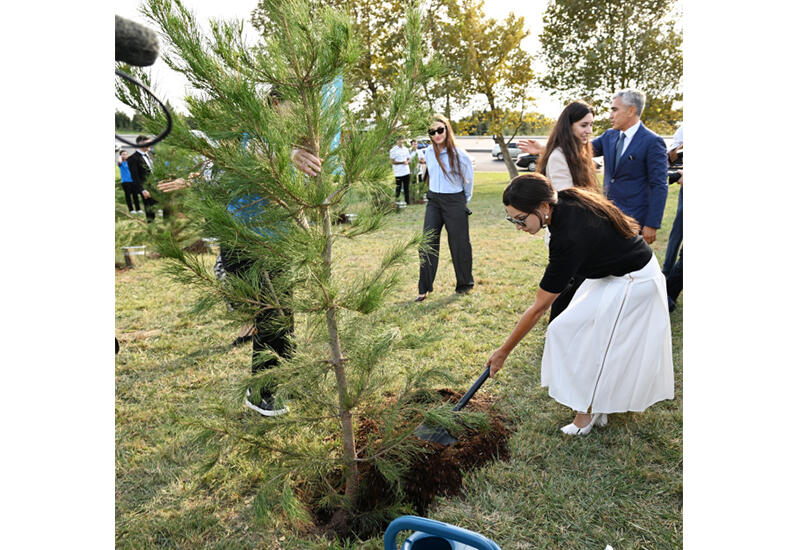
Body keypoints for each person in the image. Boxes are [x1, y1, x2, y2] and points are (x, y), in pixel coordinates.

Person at [486, 173, 674, 435]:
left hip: (634, 280)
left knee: (600, 344)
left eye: (520, 219)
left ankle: (587, 416)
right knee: (564, 328)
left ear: (542, 207)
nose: (518, 226)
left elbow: (538, 308)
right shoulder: (561, 204)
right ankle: (597, 403)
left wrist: (503, 352)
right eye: (511, 219)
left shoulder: (568, 236)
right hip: (610, 274)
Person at [518, 100, 601, 321]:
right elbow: (569, 202)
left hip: (581, 233)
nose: (589, 131)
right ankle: (557, 331)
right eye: (584, 125)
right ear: (569, 125)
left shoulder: (577, 152)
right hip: (571, 236)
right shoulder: (559, 156)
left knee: (575, 291)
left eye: (591, 125)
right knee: (566, 291)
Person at [415, 114, 474, 302]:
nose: (437, 134)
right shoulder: (428, 153)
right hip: (434, 201)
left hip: (455, 200)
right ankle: (423, 288)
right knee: (427, 242)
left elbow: (469, 180)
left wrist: (462, 200)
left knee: (459, 243)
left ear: (447, 129)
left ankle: (464, 284)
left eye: (440, 130)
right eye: (432, 132)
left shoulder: (460, 154)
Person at [663, 124, 683, 312]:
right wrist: (680, 148)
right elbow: (671, 157)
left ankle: (670, 291)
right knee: (678, 232)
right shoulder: (684, 127)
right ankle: (666, 275)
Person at [126, 135, 165, 223]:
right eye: (148, 143)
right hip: (147, 187)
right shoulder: (133, 159)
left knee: (165, 205)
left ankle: (167, 226)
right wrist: (143, 190)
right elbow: (135, 176)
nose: (151, 145)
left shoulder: (151, 155)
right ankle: (151, 228)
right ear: (140, 144)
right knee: (149, 209)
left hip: (158, 184)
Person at [390, 137, 412, 205]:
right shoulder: (393, 150)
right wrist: (402, 162)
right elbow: (392, 161)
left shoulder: (406, 149)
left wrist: (407, 162)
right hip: (398, 172)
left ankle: (407, 202)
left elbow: (409, 159)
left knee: (406, 188)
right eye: (399, 140)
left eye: (402, 140)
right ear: (396, 141)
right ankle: (397, 202)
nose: (401, 141)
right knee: (398, 188)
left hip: (406, 171)